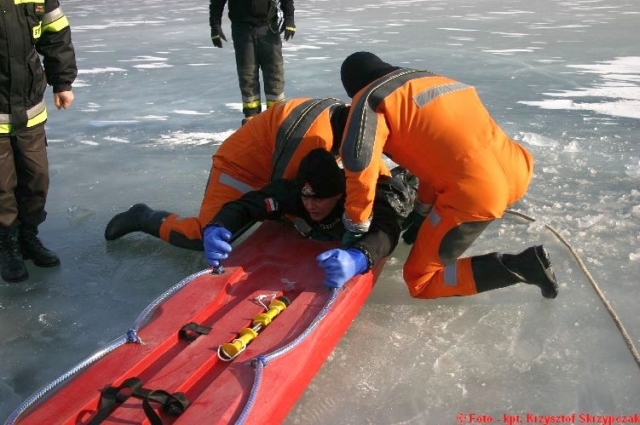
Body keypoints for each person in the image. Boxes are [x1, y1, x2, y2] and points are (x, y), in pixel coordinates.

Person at [319, 51, 559, 300]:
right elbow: (438, 153)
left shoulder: (370, 99)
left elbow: (360, 165)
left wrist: (357, 226)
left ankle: (519, 267)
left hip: (475, 194)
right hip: (517, 166)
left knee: (420, 281)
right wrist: (422, 208)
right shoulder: (432, 79)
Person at [104, 98, 357, 251]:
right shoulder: (310, 137)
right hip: (239, 171)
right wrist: (316, 229)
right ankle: (143, 217)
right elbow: (285, 193)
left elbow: (366, 170)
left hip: (273, 165)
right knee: (203, 236)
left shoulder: (349, 120)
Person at [203, 148, 415, 288]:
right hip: (320, 228)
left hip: (396, 191)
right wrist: (220, 225)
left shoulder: (356, 198)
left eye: (320, 199)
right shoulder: (293, 193)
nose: (310, 205)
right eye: (306, 197)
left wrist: (359, 258)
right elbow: (248, 205)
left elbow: (387, 228)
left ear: (338, 195)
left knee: (404, 187)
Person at [0, 1, 77, 283]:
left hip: (29, 109)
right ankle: (7, 244)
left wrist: (63, 82)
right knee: (1, 186)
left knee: (36, 178)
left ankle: (28, 237)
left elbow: (56, 35)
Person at [209, 0, 296, 125]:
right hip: (242, 29)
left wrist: (289, 18)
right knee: (247, 74)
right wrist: (215, 26)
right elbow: (217, 2)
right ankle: (252, 117)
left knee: (274, 72)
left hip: (268, 27)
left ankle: (276, 115)